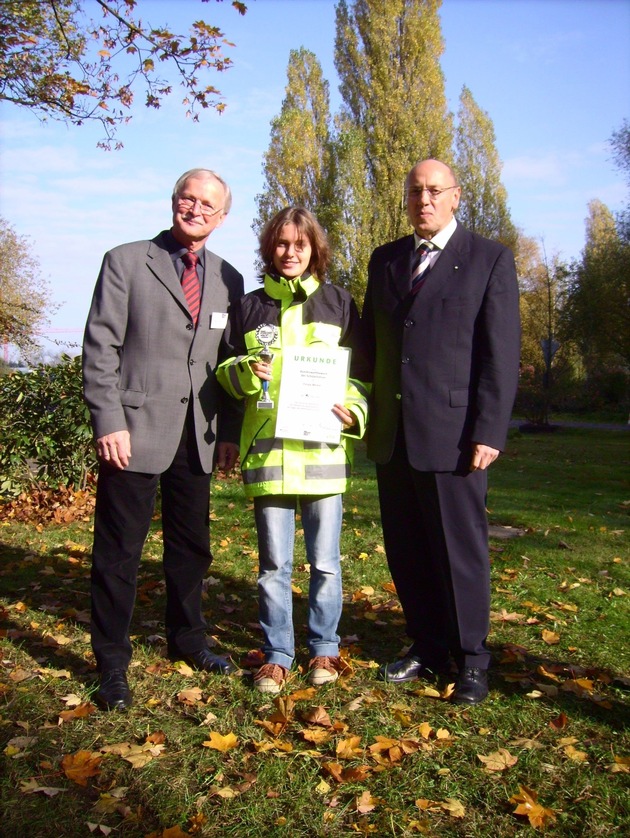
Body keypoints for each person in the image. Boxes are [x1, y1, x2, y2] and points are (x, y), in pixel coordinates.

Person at [82, 168, 244, 711]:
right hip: (132, 431)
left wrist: (228, 434)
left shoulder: (229, 279)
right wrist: (108, 421)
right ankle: (110, 662)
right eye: (187, 198)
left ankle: (188, 639)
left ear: (222, 217)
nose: (195, 209)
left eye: (207, 204)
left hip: (196, 436)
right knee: (118, 552)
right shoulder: (126, 261)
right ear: (173, 201)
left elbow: (230, 366)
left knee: (191, 550)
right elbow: (100, 347)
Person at [362, 159, 520, 705]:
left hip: (455, 438)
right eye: (414, 191)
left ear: (456, 197)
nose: (423, 199)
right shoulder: (385, 261)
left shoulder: (489, 259)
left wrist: (489, 431)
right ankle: (426, 646)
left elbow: (500, 356)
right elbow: (369, 348)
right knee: (406, 550)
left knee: (460, 552)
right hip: (393, 435)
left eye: (434, 191)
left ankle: (472, 659)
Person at [217, 207, 370, 694]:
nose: (290, 253)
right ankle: (278, 654)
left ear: (314, 250)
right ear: (270, 247)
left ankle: (325, 650)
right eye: (281, 244)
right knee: (272, 567)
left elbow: (360, 375)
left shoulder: (340, 303)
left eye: (299, 245)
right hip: (271, 457)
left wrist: (354, 411)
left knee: (326, 563)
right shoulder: (248, 307)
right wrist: (245, 370)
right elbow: (223, 373)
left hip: (323, 455)